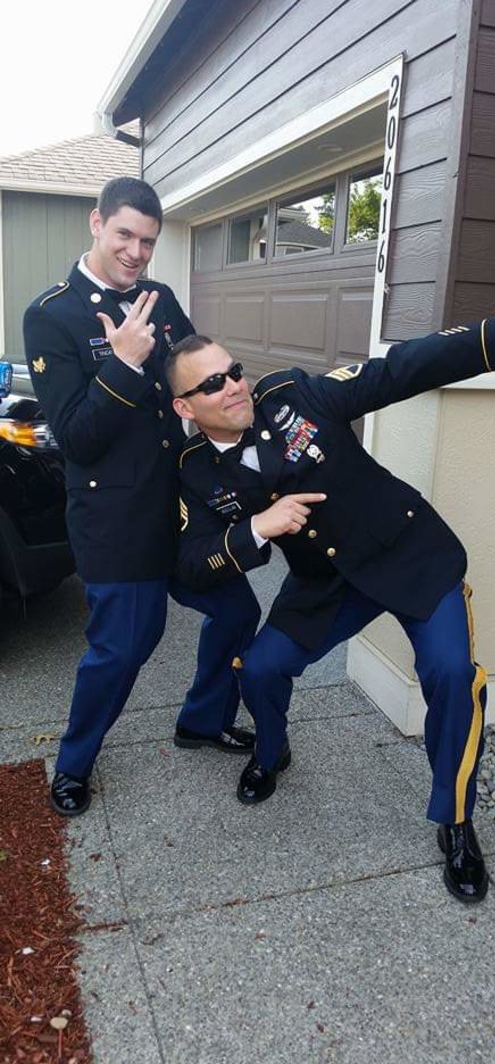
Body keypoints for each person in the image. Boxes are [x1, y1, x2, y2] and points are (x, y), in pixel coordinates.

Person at [166, 278, 495, 904]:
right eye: (212, 384)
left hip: (407, 553)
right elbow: (191, 563)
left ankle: (455, 820)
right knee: (260, 668)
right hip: (326, 582)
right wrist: (257, 527)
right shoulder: (195, 471)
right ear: (185, 408)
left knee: (452, 675)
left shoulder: (293, 395)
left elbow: (400, 369)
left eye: (233, 371)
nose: (233, 386)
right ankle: (271, 752)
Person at [23, 177, 260, 819]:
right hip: (115, 518)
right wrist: (123, 363)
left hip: (180, 505)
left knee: (236, 610)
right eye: (124, 234)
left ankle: (203, 720)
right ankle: (74, 763)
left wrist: (243, 415)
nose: (135, 252)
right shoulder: (52, 315)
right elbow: (76, 438)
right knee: (125, 645)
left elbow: (197, 375)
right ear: (97, 223)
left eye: (148, 241)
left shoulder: (161, 299)